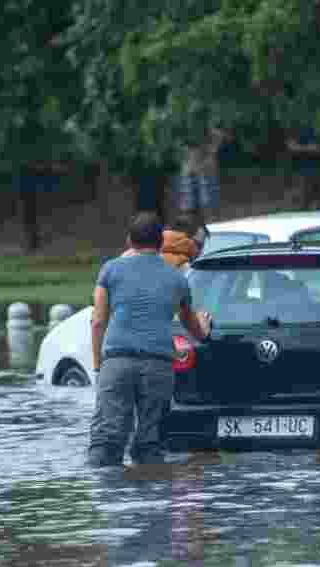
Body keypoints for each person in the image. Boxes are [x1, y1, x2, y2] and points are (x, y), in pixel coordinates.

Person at [88, 212, 212, 467]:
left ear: (128, 241)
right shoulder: (177, 278)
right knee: (150, 443)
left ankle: (107, 498)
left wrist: (98, 364)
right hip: (158, 367)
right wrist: (205, 327)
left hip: (117, 362)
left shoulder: (110, 270)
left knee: (107, 440)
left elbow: (98, 320)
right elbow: (192, 326)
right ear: (160, 242)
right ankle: (153, 496)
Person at [178, 127, 231, 223]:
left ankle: (210, 220)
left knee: (206, 200)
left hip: (202, 171)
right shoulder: (194, 150)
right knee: (192, 201)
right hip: (195, 170)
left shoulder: (208, 144)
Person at [288, 126, 320, 210]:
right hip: (305, 173)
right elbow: (291, 145)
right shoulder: (301, 129)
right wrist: (307, 148)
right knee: (304, 203)